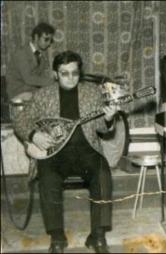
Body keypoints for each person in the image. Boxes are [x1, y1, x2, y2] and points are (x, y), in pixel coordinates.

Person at [13, 51, 126, 253]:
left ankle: (98, 237)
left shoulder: (92, 92)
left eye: (74, 73)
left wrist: (109, 118)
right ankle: (57, 238)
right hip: (55, 153)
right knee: (47, 177)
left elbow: (101, 127)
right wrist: (33, 135)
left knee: (102, 173)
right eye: (64, 73)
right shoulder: (43, 94)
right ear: (55, 73)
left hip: (87, 149)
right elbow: (20, 121)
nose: (71, 78)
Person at [6, 22, 56, 102]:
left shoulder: (41, 55)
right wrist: (53, 82)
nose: (49, 43)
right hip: (17, 94)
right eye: (46, 39)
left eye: (51, 40)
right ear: (36, 37)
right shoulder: (21, 53)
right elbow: (28, 79)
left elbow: (42, 76)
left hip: (31, 92)